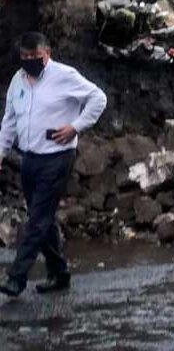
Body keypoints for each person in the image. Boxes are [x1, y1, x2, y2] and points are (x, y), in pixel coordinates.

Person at [0, 32, 107, 297]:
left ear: (46, 53)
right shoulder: (18, 81)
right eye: (23, 57)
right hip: (29, 159)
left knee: (37, 220)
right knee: (43, 218)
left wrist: (76, 126)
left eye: (34, 57)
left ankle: (16, 277)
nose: (28, 61)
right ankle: (59, 273)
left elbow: (98, 99)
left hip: (57, 158)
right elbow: (9, 121)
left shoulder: (64, 76)